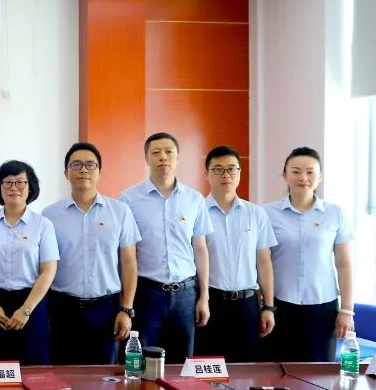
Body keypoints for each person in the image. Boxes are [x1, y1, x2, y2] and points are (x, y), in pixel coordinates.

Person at [42, 142, 140, 365]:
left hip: (106, 309)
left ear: (99, 172)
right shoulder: (50, 215)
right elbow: (44, 266)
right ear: (66, 173)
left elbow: (129, 263)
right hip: (62, 308)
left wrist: (126, 309)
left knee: (105, 377)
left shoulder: (120, 212)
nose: (83, 170)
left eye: (90, 165)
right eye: (76, 165)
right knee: (63, 374)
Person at [119, 132, 212, 364]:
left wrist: (204, 297)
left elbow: (200, 248)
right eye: (156, 152)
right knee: (141, 363)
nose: (163, 157)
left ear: (178, 157)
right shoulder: (128, 199)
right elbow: (125, 255)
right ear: (146, 158)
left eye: (169, 152)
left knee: (183, 364)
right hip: (147, 293)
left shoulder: (195, 199)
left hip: (186, 294)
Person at [263, 147, 354, 362]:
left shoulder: (335, 213)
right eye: (295, 171)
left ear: (320, 177)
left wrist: (346, 310)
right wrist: (265, 305)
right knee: (276, 371)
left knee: (319, 373)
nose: (303, 178)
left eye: (310, 172)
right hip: (279, 305)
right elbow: (262, 263)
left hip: (322, 308)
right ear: (285, 175)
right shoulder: (266, 213)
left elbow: (344, 264)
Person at [0, 160, 57, 365]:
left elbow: (48, 270)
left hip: (30, 303)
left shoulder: (43, 225)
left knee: (31, 370)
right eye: (7, 182)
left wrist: (26, 310)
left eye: (20, 182)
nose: (13, 188)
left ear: (30, 187)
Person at [194, 146, 277, 362]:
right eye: (218, 169)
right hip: (210, 303)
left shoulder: (256, 214)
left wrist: (268, 306)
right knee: (207, 368)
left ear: (240, 172)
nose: (226, 175)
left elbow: (264, 262)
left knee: (245, 369)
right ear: (207, 173)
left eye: (232, 169)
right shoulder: (196, 212)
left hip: (246, 305)